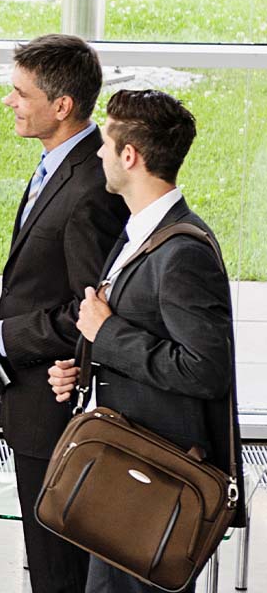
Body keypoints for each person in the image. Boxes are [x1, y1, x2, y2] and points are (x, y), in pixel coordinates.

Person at [48, 89, 245, 593]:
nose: (97, 153)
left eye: (106, 143)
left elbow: (205, 368)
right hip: (125, 471)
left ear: (130, 156)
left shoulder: (183, 252)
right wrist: (86, 365)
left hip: (153, 483)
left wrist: (106, 334)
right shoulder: (141, 233)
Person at [0, 34, 128, 593]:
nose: (9, 101)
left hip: (54, 408)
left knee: (56, 568)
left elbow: (89, 311)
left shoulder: (89, 187)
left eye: (19, 92)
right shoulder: (60, 164)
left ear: (62, 106)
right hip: (28, 393)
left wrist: (3, 336)